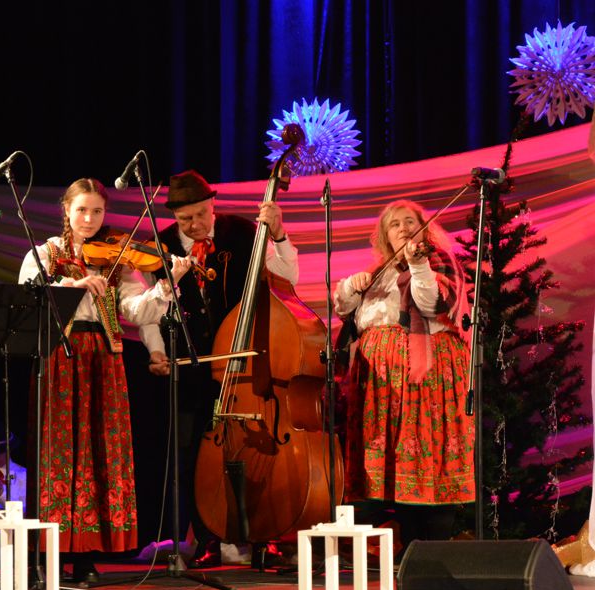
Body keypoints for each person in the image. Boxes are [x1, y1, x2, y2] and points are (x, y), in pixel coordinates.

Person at [18, 177, 191, 582]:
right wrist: (74, 285)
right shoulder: (44, 254)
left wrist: (168, 286)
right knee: (61, 452)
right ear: (66, 209)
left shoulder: (115, 260)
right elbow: (29, 296)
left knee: (99, 453)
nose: (89, 218)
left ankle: (86, 555)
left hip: (104, 359)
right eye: (82, 209)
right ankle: (51, 553)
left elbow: (138, 311)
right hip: (61, 356)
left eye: (97, 211)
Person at [138, 169, 300, 568]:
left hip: (245, 359)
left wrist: (279, 235)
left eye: (201, 215)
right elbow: (151, 311)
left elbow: (288, 277)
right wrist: (157, 351)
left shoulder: (242, 232)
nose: (195, 225)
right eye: (185, 219)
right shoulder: (157, 247)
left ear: (213, 206)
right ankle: (208, 537)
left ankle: (262, 534)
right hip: (192, 365)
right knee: (194, 452)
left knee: (255, 446)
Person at [333, 199, 475, 549]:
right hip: (379, 384)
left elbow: (430, 304)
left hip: (426, 378)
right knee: (389, 462)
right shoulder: (378, 273)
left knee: (427, 455)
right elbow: (346, 312)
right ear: (385, 235)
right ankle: (400, 545)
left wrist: (418, 263)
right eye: (394, 224)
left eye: (410, 221)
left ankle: (432, 549)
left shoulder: (439, 265)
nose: (403, 228)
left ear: (424, 229)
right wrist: (350, 288)